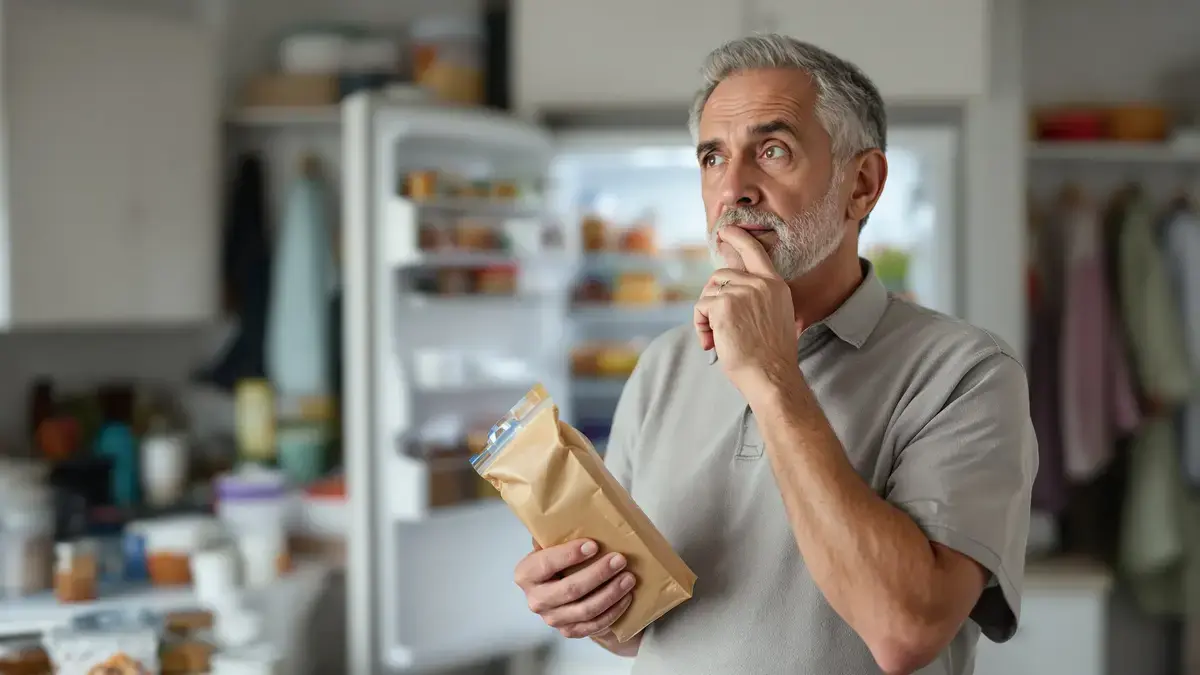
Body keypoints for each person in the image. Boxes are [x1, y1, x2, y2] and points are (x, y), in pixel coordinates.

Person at [513, 34, 1037, 675]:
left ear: (862, 185)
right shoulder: (664, 365)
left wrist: (771, 376)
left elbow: (906, 631)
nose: (734, 188)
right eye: (712, 157)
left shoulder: (966, 373)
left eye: (772, 150)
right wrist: (585, 602)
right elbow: (638, 630)